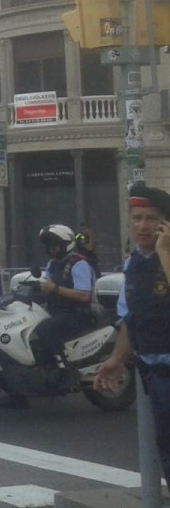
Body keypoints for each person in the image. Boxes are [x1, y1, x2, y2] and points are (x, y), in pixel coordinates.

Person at [95, 182, 170, 489]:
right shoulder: (134, 263)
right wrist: (116, 359)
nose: (142, 225)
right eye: (136, 217)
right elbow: (130, 317)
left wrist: (165, 250)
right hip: (155, 373)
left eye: (151, 218)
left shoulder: (165, 255)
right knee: (166, 450)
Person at [32, 223, 96, 369]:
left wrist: (54, 288)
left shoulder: (78, 263)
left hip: (77, 314)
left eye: (55, 245)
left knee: (45, 328)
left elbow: (84, 295)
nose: (51, 249)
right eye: (49, 246)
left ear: (66, 244)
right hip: (56, 311)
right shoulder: (53, 264)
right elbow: (46, 287)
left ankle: (64, 368)